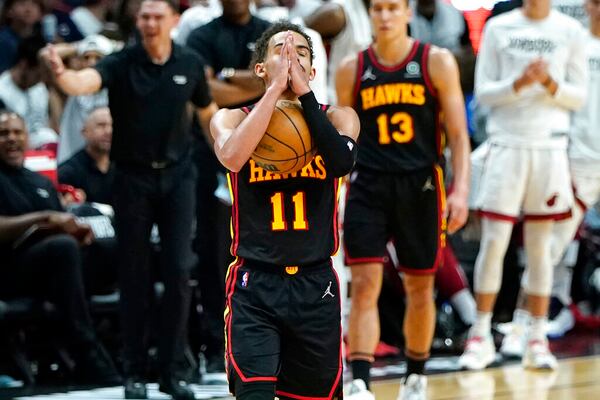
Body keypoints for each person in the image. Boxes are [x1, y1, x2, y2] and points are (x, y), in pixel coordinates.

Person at [42, 0, 219, 398]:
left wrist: (229, 152)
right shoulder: (123, 62)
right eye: (144, 16)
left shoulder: (190, 63)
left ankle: (173, 369)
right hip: (132, 177)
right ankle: (134, 370)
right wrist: (61, 75)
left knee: (177, 272)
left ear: (174, 21)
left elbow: (208, 114)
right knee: (134, 275)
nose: (150, 23)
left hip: (178, 177)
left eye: (158, 16)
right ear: (136, 22)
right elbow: (85, 81)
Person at [210, 21, 359, 400]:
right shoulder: (232, 118)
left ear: (312, 71)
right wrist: (275, 90)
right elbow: (231, 157)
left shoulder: (338, 117)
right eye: (280, 51)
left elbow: (341, 162)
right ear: (260, 68)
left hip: (316, 284)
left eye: (301, 54)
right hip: (255, 285)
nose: (291, 58)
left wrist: (303, 96)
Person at [335, 0, 470, 398]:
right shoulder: (352, 68)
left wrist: (461, 190)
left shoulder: (436, 61)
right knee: (362, 285)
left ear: (407, 13)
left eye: (393, 7)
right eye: (378, 8)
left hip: (421, 185)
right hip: (369, 184)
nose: (385, 15)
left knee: (419, 286)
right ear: (370, 14)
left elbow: (459, 136)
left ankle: (415, 375)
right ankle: (360, 379)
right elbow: (343, 138)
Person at [459, 0, 587, 372]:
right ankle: (480, 336)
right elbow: (483, 92)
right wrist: (520, 83)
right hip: (507, 144)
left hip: (549, 146)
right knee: (494, 242)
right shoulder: (500, 27)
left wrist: (548, 83)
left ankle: (536, 338)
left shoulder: (570, 31)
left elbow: (578, 96)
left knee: (541, 249)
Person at [500, 0, 600, 355]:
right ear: (588, 6)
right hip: (578, 158)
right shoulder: (576, 42)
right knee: (553, 246)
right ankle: (527, 319)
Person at [0, 110, 120, 386]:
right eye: (3, 133)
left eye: (17, 133)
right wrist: (44, 219)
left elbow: (61, 226)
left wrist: (79, 233)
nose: (11, 139)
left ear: (27, 138)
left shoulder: (40, 182)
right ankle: (85, 348)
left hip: (53, 270)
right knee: (63, 249)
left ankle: (125, 344)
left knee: (108, 249)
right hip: (9, 271)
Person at [58, 106, 114, 205]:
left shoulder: (125, 167)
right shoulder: (68, 172)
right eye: (101, 125)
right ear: (84, 132)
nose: (108, 131)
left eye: (112, 125)